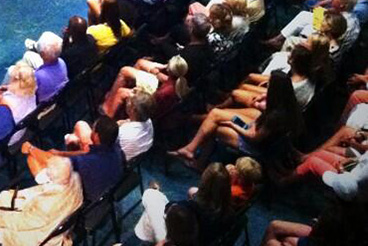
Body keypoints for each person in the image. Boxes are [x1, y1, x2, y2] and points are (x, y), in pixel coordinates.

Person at [168, 70, 302, 170]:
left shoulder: (275, 116)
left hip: (254, 145)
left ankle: (198, 161)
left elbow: (254, 137)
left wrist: (233, 125)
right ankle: (191, 149)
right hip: (253, 127)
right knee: (215, 114)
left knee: (215, 128)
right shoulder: (285, 103)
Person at [23, 115, 125, 202]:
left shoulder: (85, 162)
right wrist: (61, 153)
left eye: (93, 129)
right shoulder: (116, 148)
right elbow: (86, 152)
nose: (91, 132)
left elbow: (53, 162)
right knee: (75, 137)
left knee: (32, 158)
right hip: (109, 186)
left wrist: (31, 148)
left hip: (82, 195)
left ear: (97, 136)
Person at [101, 55, 189, 120]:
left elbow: (149, 104)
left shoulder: (163, 92)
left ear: (169, 70)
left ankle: (107, 114)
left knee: (121, 92)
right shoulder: (179, 82)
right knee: (141, 63)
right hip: (158, 88)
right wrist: (157, 73)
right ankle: (111, 100)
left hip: (148, 105)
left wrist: (136, 91)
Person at [33, 31, 68, 103]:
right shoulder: (62, 62)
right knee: (29, 56)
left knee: (27, 57)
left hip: (44, 105)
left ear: (42, 54)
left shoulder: (38, 76)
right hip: (59, 98)